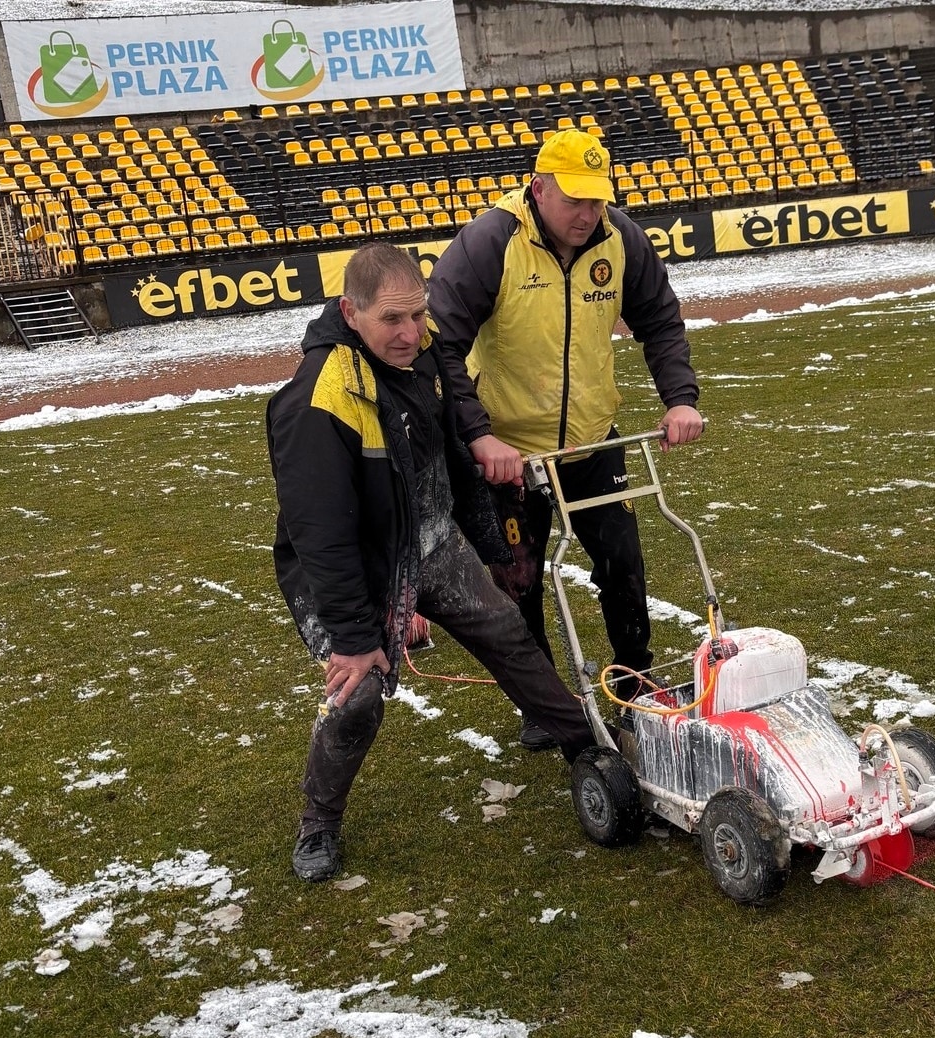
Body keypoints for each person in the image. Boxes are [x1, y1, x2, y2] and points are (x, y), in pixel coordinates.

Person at [266, 243, 596, 883]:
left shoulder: (428, 353)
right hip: (355, 565)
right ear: (350, 312)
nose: (410, 333)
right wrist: (359, 638)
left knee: (507, 630)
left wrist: (497, 552)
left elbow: (453, 462)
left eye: (417, 315)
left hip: (430, 538)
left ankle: (586, 746)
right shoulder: (317, 398)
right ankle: (319, 821)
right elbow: (320, 534)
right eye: (392, 319)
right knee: (358, 696)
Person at [428, 129, 704, 752]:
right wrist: (477, 436)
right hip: (508, 452)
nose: (587, 214)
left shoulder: (621, 239)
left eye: (597, 200)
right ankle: (543, 702)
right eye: (574, 200)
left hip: (590, 437)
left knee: (623, 564)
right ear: (540, 187)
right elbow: (439, 343)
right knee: (518, 580)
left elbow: (659, 317)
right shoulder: (489, 243)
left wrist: (680, 398)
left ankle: (635, 682)